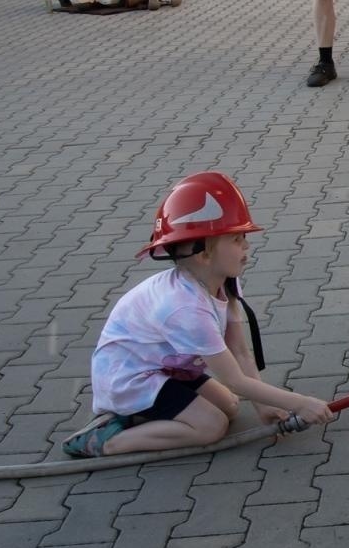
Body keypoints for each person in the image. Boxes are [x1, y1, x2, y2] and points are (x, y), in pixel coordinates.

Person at [62, 171, 334, 458]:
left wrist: (263, 406)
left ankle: (143, 416)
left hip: (165, 369)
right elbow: (235, 380)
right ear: (204, 254)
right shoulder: (185, 309)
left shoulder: (224, 279)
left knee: (229, 405)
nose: (247, 246)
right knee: (210, 427)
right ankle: (105, 440)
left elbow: (239, 352)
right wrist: (301, 403)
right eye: (237, 239)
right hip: (131, 380)